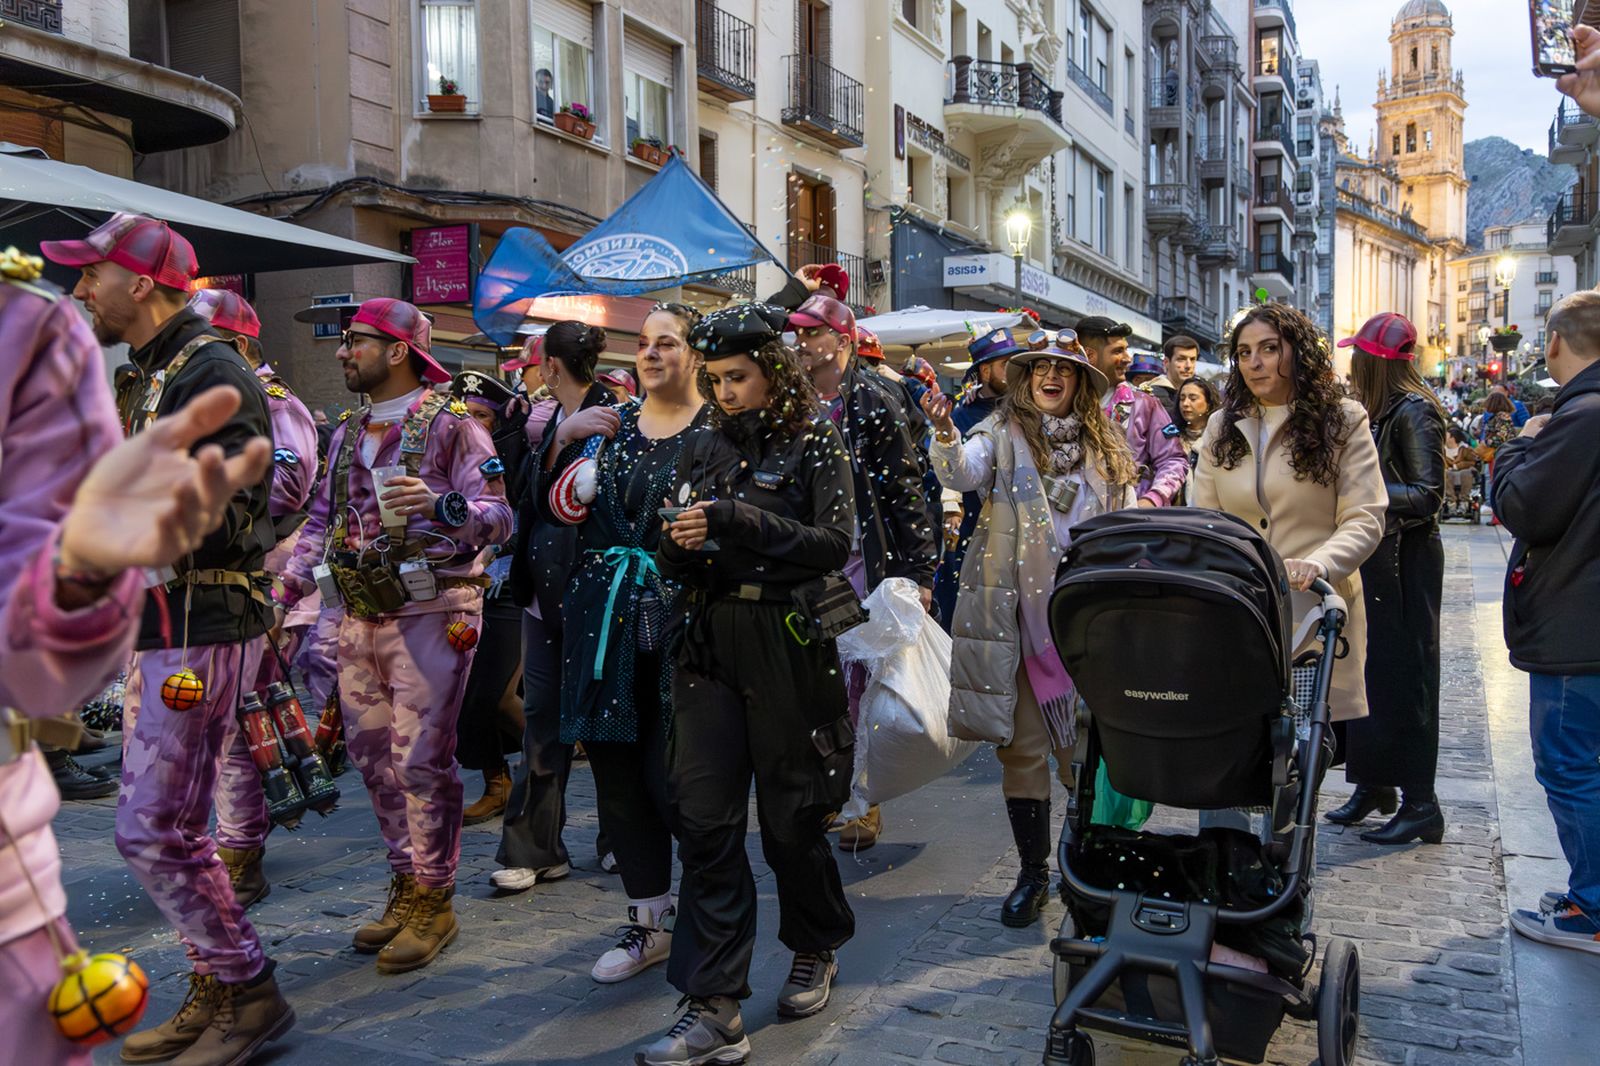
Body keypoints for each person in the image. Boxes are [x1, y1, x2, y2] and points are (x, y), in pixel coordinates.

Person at [0, 248, 270, 1066]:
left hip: (201, 624)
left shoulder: (211, 370)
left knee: (156, 828)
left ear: (141, 281)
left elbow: (232, 515)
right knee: (167, 826)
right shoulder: (154, 370)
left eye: (92, 274)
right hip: (163, 626)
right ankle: (220, 988)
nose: (80, 289)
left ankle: (247, 991)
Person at [639, 304, 858, 1064]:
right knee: (704, 821)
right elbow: (668, 546)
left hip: (786, 642)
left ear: (773, 370)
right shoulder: (702, 440)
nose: (725, 392)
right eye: (717, 379)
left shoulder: (815, 437)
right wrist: (678, 541)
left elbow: (834, 543)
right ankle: (714, 1005)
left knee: (794, 819)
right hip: (705, 640)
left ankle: (815, 942)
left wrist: (734, 519)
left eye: (738, 377)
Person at [275, 297, 513, 974]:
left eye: (355, 342)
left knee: (419, 760)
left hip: (434, 613)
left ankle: (435, 899)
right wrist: (283, 592)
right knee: (373, 756)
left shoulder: (453, 425)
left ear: (398, 350)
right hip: (359, 614)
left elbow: (501, 517)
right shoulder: (348, 429)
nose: (344, 352)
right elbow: (320, 524)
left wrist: (444, 506)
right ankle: (407, 883)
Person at [922, 340, 1138, 928]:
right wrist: (944, 432)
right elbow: (962, 472)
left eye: (1061, 370)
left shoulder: (1107, 449)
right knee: (1020, 751)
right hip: (1016, 620)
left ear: (1079, 385)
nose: (1049, 376)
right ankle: (1033, 874)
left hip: (1088, 622)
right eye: (1040, 367)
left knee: (1085, 757)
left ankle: (1085, 871)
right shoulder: (1001, 431)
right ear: (1025, 380)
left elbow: (1130, 519)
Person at [542, 304, 706, 983]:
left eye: (667, 342)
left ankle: (707, 918)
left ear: (696, 354)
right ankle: (647, 921)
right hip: (604, 622)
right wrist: (565, 445)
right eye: (642, 343)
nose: (651, 353)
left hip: (685, 626)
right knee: (616, 776)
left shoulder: (716, 431)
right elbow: (555, 509)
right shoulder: (612, 426)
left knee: (684, 781)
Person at [1192, 303, 1386, 755]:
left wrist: (1319, 564)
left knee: (1294, 766)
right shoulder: (1222, 425)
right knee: (1227, 753)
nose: (1254, 363)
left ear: (1296, 352)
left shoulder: (1343, 418)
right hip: (1237, 614)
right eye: (1243, 352)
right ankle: (1228, 830)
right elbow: (1204, 519)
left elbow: (1365, 515)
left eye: (1269, 349)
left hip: (1311, 615)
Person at [790, 292, 939, 852]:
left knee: (859, 688)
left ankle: (864, 799)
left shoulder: (874, 400)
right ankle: (829, 790)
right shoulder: (794, 403)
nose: (801, 344)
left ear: (843, 342)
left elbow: (906, 492)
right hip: (808, 563)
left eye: (811, 333)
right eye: (798, 334)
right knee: (813, 683)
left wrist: (921, 575)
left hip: (863, 562)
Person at [187, 287, 319, 911]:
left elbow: (287, 487)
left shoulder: (272, 402)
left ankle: (240, 852)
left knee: (242, 723)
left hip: (260, 583)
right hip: (201, 588)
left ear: (238, 345)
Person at [1495, 291, 1600, 955]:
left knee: (1569, 766)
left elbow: (1524, 507)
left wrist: (1515, 448)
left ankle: (1591, 907)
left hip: (1575, 627)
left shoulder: (1581, 415)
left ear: (1555, 342)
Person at [493, 323, 614, 892]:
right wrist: (560, 436)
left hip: (593, 592)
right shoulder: (555, 423)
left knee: (608, 719)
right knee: (541, 720)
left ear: (551, 367)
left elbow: (593, 500)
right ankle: (536, 847)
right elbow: (528, 496)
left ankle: (622, 836)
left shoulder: (614, 415)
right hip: (543, 594)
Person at [1327, 313, 1448, 845]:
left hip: (1406, 563)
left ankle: (1421, 802)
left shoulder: (1414, 410)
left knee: (1408, 676)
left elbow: (1428, 494)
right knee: (1372, 673)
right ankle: (1375, 784)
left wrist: (1358, 496)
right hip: (1379, 558)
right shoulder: (1381, 411)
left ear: (1371, 362)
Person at [450, 370, 529, 828]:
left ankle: (546, 770)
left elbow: (530, 522)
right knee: (466, 698)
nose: (474, 424)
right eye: (468, 416)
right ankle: (497, 782)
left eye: (482, 416)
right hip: (461, 591)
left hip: (508, 590)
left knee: (496, 698)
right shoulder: (447, 453)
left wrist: (495, 544)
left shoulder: (518, 458)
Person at [932, 329, 1020, 629]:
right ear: (985, 370)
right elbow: (949, 468)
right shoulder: (963, 413)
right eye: (1006, 363)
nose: (1015, 370)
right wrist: (951, 506)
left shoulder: (1027, 407)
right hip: (975, 522)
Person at [1075, 316, 1188, 508]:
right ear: (1089, 355)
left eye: (1126, 349)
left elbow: (1174, 459)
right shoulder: (1064, 402)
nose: (1128, 358)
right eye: (1118, 351)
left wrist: (1152, 499)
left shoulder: (1144, 403)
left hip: (1129, 524)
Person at [1175, 375, 1219, 504]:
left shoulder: (1218, 438)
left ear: (1208, 404)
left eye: (1193, 398)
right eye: (1182, 399)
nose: (1185, 404)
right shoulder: (1171, 436)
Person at [1149, 334, 1200, 424]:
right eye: (1181, 359)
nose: (1188, 366)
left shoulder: (1201, 392)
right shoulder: (1152, 395)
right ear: (1166, 362)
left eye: (1192, 359)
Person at [1444, 425, 1478, 517]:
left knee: (1466, 473)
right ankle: (1451, 501)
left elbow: (1472, 462)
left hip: (1463, 472)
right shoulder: (1442, 450)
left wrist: (1457, 466)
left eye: (1446, 435)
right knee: (1446, 473)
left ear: (1452, 438)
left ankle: (1464, 501)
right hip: (1448, 472)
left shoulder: (1465, 449)